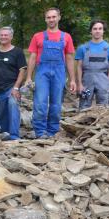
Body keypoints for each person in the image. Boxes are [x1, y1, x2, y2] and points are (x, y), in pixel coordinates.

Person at [24, 8, 76, 138]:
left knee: (56, 104)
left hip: (59, 72)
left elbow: (69, 59)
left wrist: (73, 79)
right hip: (42, 72)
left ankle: (52, 132)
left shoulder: (66, 37)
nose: (51, 19)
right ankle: (40, 132)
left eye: (53, 17)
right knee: (40, 103)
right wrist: (29, 77)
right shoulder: (38, 36)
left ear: (59, 17)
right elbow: (32, 57)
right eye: (48, 17)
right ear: (45, 19)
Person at [0, 26, 27, 140]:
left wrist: (16, 88)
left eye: (6, 35)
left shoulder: (17, 52)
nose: (3, 37)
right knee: (1, 115)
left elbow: (22, 70)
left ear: (11, 37)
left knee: (12, 104)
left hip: (12, 88)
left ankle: (15, 136)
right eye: (1, 35)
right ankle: (4, 134)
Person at [76, 20, 109, 110]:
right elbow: (79, 67)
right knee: (84, 106)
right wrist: (79, 84)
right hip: (87, 81)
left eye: (100, 29)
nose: (97, 31)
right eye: (95, 29)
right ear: (91, 31)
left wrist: (107, 81)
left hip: (103, 79)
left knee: (104, 108)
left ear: (103, 31)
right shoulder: (82, 48)